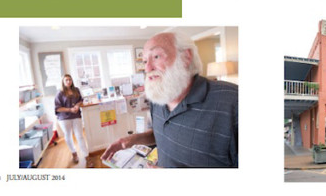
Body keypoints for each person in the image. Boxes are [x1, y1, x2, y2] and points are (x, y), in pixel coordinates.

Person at [102, 32, 238, 168]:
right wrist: (133, 140)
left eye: (156, 56)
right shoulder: (158, 97)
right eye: (144, 61)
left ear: (186, 57)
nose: (147, 68)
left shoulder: (233, 102)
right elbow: (164, 134)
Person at [54, 74, 90, 167]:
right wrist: (70, 109)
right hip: (64, 118)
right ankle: (74, 153)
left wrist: (77, 105)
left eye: (70, 79)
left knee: (80, 136)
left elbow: (80, 100)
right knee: (68, 136)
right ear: (63, 81)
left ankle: (86, 156)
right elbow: (58, 108)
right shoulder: (60, 93)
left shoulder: (76, 90)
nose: (68, 81)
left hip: (76, 115)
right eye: (66, 80)